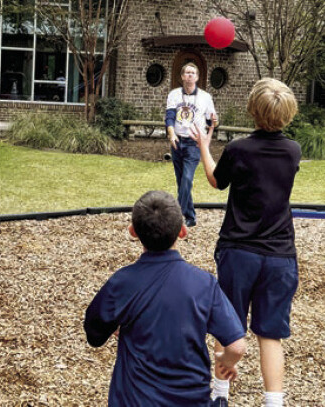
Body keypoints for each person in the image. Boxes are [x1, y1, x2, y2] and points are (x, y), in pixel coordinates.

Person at [190, 78, 301, 407]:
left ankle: (221, 394)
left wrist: (204, 148)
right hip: (280, 255)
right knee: (271, 335)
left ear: (252, 109)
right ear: (288, 112)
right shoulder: (293, 151)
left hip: (239, 251)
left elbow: (215, 181)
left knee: (228, 326)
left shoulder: (239, 148)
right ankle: (273, 402)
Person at [84, 190, 246, 406]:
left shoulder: (121, 283)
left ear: (133, 232)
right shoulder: (204, 284)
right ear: (183, 231)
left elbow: (94, 334)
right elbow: (237, 346)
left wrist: (117, 327)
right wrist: (226, 362)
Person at [165, 62, 218, 227]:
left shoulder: (205, 97)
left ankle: (175, 216)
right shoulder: (174, 95)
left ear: (197, 77)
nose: (189, 75)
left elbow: (211, 120)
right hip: (177, 141)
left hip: (194, 143)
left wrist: (214, 122)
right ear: (182, 76)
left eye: (192, 73)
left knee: (187, 179)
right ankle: (190, 217)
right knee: (181, 181)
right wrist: (171, 134)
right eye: (186, 72)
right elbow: (170, 117)